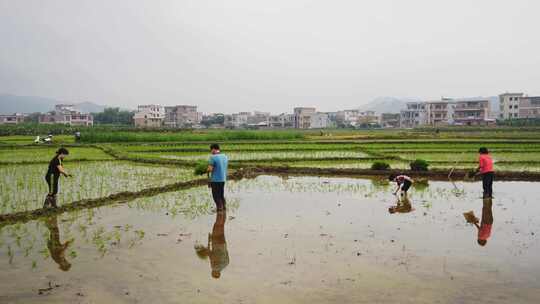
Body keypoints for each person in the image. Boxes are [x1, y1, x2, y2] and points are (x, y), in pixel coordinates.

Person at [194, 210, 229, 279]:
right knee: (217, 224)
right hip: (216, 243)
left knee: (221, 225)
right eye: (212, 273)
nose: (212, 271)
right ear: (215, 273)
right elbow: (211, 254)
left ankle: (222, 211)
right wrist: (209, 241)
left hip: (223, 243)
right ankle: (220, 211)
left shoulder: (226, 264)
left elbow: (225, 252)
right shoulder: (214, 267)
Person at [207, 144, 228, 211]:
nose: (211, 151)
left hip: (215, 180)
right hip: (223, 179)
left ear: (213, 149)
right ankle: (224, 207)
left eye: (211, 150)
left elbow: (210, 169)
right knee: (221, 194)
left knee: (216, 195)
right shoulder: (225, 156)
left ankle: (220, 209)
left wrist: (206, 169)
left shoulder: (213, 157)